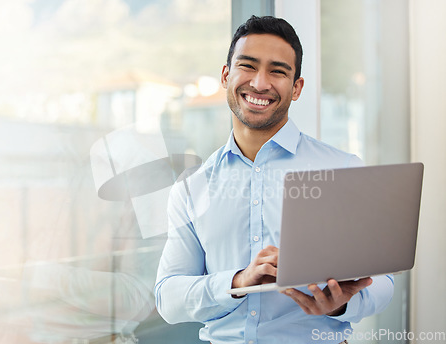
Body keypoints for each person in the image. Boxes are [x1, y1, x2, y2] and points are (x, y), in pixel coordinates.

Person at [154, 15, 394, 344]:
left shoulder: (343, 168)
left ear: (296, 88)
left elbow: (383, 281)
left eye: (277, 71)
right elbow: (168, 298)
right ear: (226, 76)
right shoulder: (191, 188)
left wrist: (341, 303)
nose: (260, 83)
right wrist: (237, 281)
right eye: (248, 66)